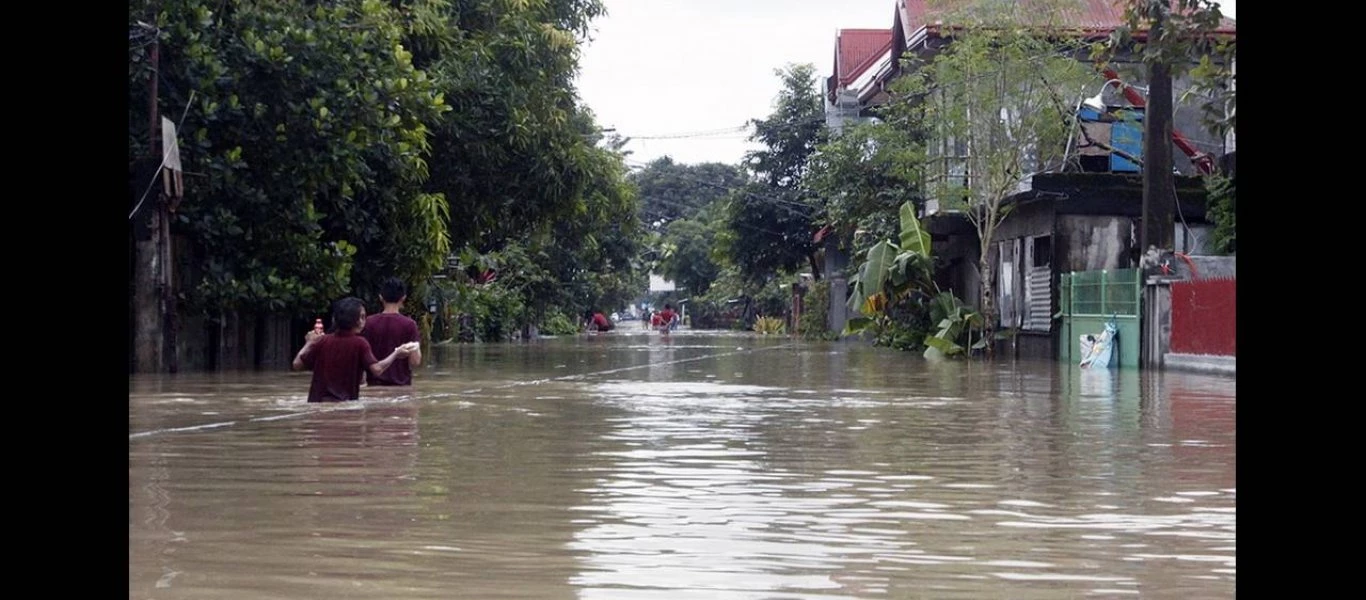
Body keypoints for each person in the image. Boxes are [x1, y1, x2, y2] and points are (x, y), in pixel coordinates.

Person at [293, 297, 411, 403]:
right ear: (357, 320)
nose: (364, 321)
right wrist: (396, 353)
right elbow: (377, 369)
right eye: (362, 317)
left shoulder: (322, 341)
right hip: (345, 405)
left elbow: (297, 365)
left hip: (317, 405)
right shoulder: (360, 343)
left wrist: (309, 343)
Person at [361, 277, 423, 386]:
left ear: (381, 297)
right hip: (401, 388)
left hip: (373, 386)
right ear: (403, 298)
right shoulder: (409, 324)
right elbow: (415, 361)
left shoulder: (368, 322)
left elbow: (361, 359)